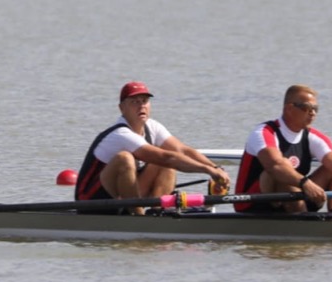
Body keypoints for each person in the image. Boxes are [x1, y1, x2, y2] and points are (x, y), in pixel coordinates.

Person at [75, 81, 230, 212]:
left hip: (122, 197)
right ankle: (138, 217)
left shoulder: (152, 126)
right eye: (134, 102)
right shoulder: (120, 134)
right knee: (126, 158)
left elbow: (182, 150)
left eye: (144, 101)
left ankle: (157, 212)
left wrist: (216, 168)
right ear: (122, 108)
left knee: (168, 159)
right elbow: (167, 158)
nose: (141, 106)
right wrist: (207, 170)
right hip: (91, 202)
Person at [234, 85, 332, 213]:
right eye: (306, 107)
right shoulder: (264, 132)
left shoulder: (313, 137)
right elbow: (275, 165)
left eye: (315, 109)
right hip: (254, 203)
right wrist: (306, 184)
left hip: (297, 196)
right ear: (289, 108)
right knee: (283, 167)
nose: (312, 113)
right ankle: (303, 221)